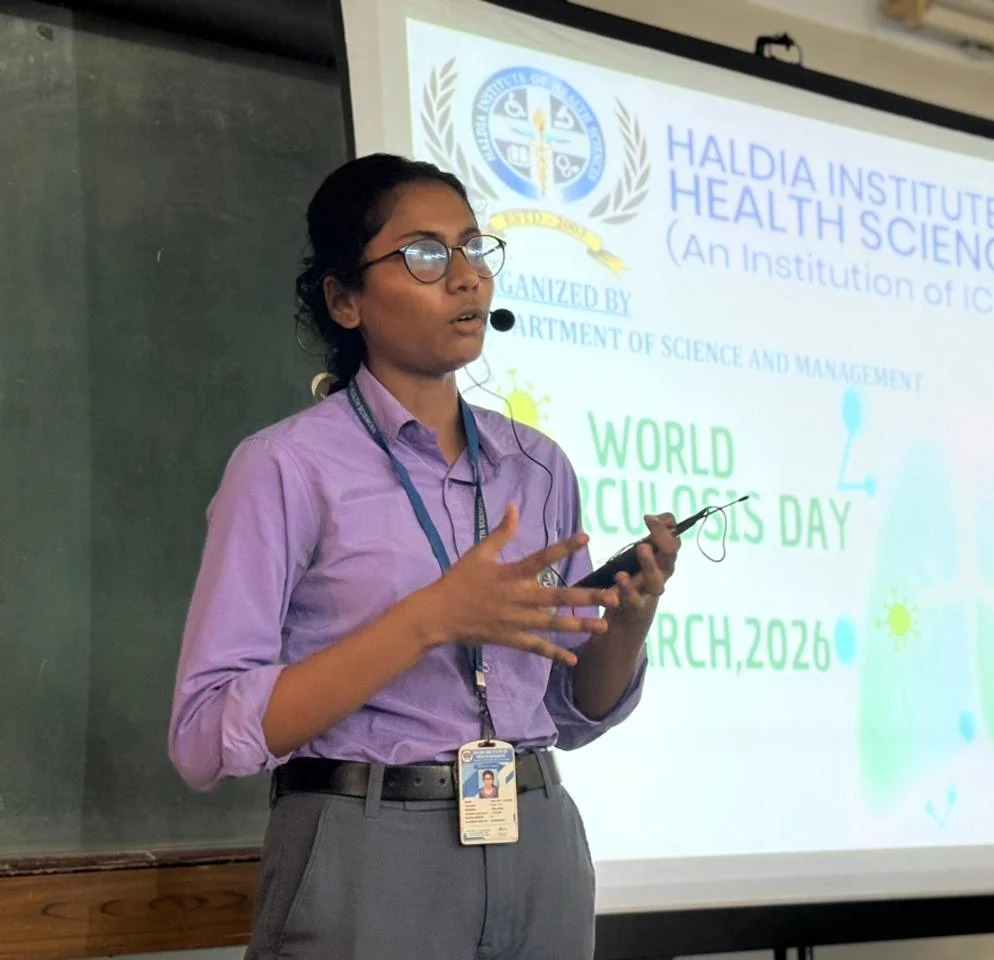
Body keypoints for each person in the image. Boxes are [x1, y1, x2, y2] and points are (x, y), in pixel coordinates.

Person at [168, 152, 680, 960]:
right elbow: (203, 736)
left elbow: (568, 711)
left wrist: (626, 622)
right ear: (345, 300)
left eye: (473, 247)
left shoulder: (537, 466)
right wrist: (430, 620)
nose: (467, 276)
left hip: (538, 836)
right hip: (369, 847)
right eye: (425, 254)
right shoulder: (286, 466)